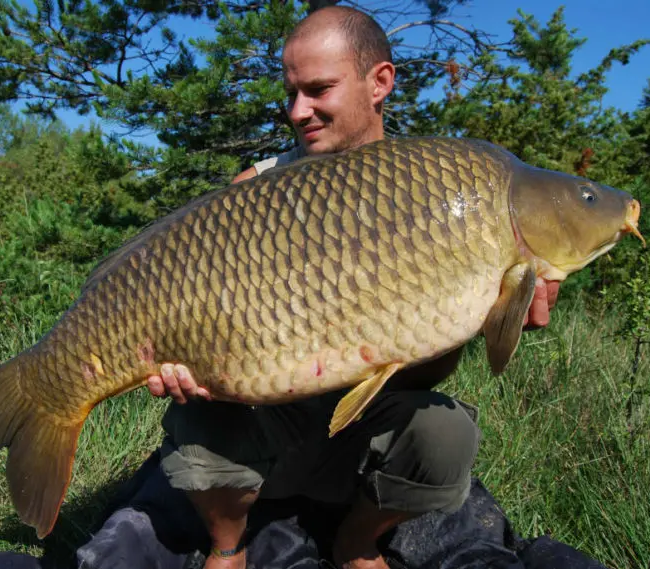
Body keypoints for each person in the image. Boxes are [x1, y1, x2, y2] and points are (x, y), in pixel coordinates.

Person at [146, 7, 560, 569]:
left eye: (318, 89)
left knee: (446, 433)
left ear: (380, 82)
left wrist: (483, 314)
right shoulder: (254, 190)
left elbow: (423, 374)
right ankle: (228, 544)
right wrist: (192, 364)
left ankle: (358, 539)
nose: (298, 111)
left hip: (364, 427)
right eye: (290, 92)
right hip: (273, 422)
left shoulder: (439, 193)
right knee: (197, 416)